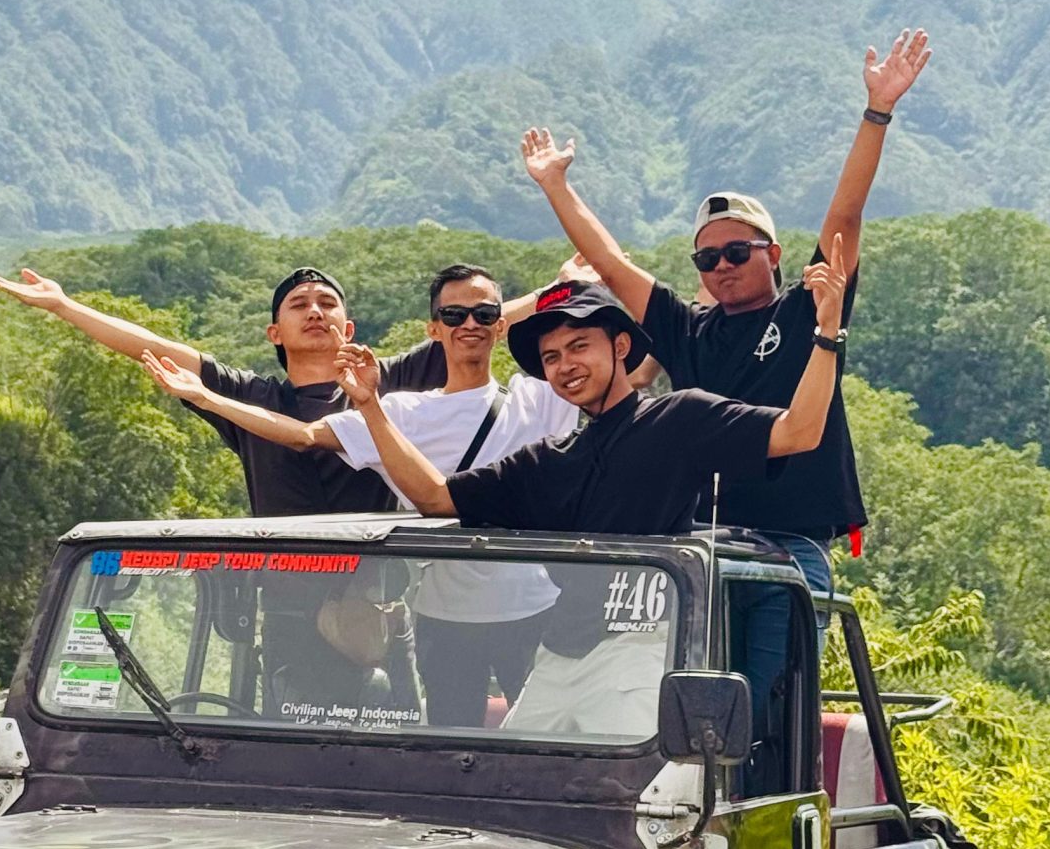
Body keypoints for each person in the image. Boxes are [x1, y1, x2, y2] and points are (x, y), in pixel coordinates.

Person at [336, 250, 848, 742]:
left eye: (579, 346)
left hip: (645, 647)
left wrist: (825, 336)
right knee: (507, 788)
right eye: (551, 357)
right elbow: (435, 497)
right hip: (559, 654)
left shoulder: (679, 419)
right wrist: (371, 408)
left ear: (620, 346)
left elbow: (798, 432)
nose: (564, 366)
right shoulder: (551, 461)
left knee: (649, 799)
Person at [516, 28, 929, 618]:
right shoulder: (688, 331)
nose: (722, 267)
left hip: (791, 547)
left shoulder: (809, 305)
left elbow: (845, 213)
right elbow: (609, 263)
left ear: (774, 254)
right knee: (699, 699)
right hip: (704, 550)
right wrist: (556, 185)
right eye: (707, 259)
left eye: (738, 252)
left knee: (773, 698)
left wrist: (878, 110)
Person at [140, 261, 585, 726]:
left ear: (501, 325)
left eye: (484, 315)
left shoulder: (541, 396)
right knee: (438, 748)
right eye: (453, 317)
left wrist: (563, 288)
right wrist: (205, 398)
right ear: (434, 329)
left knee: (553, 745)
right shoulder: (399, 411)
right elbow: (302, 435)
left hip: (529, 608)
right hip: (426, 616)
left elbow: (620, 370)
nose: (469, 324)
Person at [0, 258, 556, 518]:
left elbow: (474, 320)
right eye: (299, 305)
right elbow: (150, 344)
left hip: (381, 593)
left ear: (349, 328)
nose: (315, 312)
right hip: (285, 587)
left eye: (328, 304)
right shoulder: (250, 398)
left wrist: (564, 288)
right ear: (274, 332)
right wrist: (65, 306)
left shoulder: (383, 381)